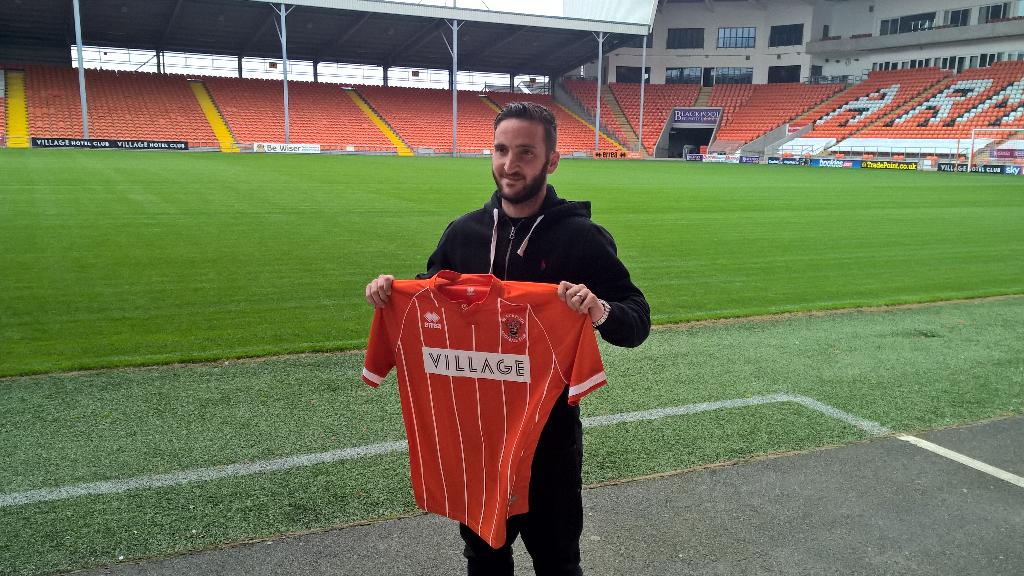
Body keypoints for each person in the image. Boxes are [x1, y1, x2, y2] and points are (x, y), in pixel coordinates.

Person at [365, 101, 650, 576]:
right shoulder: (464, 233)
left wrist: (599, 310)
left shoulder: (581, 239)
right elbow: (428, 293)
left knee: (557, 562)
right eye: (500, 150)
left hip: (548, 445)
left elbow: (637, 320)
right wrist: (390, 293)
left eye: (525, 153)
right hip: (476, 442)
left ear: (551, 160)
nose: (509, 165)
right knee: (483, 559)